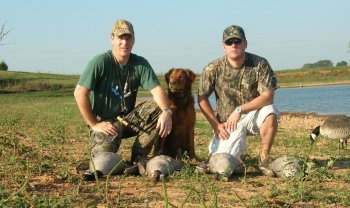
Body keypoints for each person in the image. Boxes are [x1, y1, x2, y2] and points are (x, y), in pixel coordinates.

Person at [74, 19, 172, 179]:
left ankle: (139, 158)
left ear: (133, 40)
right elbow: (79, 93)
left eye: (128, 38)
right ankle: (101, 164)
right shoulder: (100, 62)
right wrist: (94, 124)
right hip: (106, 124)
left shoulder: (140, 63)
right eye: (120, 38)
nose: (124, 42)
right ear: (112, 38)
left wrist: (167, 112)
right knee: (102, 159)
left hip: (127, 119)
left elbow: (157, 90)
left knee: (157, 108)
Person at [197, 25, 279, 176]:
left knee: (270, 112)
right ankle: (219, 157)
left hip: (252, 116)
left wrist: (239, 109)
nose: (233, 45)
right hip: (227, 123)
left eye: (237, 41)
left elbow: (268, 96)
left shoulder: (260, 63)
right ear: (224, 47)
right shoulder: (212, 68)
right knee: (223, 162)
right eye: (229, 42)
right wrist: (216, 125)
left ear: (245, 43)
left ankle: (264, 158)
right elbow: (202, 98)